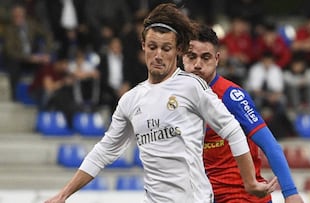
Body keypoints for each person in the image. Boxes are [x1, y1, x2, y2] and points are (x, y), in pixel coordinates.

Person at [44, 3, 277, 203]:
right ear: (143, 46)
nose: (158, 55)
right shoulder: (131, 100)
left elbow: (233, 130)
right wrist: (64, 194)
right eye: (152, 47)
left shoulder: (191, 87)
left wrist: (249, 181)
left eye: (166, 48)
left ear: (177, 51)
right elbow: (103, 152)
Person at [182, 23, 304, 203]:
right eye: (191, 57)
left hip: (241, 196)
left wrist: (290, 192)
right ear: (182, 57)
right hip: (203, 196)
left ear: (217, 59)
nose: (198, 64)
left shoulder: (232, 96)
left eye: (205, 57)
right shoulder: (176, 98)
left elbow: (270, 145)